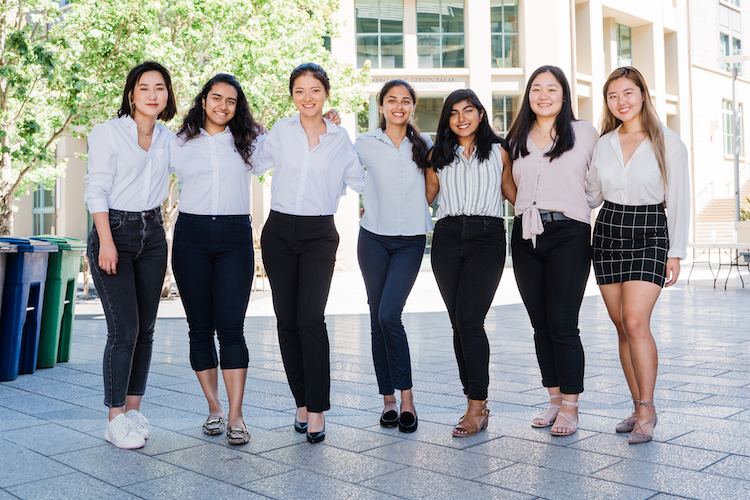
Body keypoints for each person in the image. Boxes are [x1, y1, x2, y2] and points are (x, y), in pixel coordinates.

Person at [254, 63, 365, 444]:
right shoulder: (280, 132)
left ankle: (316, 408)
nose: (307, 97)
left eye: (314, 90)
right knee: (286, 320)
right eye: (299, 90)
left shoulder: (340, 138)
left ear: (326, 94)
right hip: (279, 231)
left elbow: (362, 178)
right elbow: (252, 161)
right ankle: (301, 400)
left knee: (310, 319)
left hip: (320, 233)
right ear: (292, 95)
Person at [587, 66, 689, 444]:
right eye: (613, 96)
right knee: (619, 324)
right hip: (609, 229)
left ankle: (648, 408)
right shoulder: (603, 143)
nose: (621, 102)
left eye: (628, 93)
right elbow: (593, 195)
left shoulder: (669, 143)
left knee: (634, 321)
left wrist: (675, 252)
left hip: (650, 231)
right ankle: (635, 404)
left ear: (642, 95)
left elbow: (678, 200)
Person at [84, 61, 177, 449]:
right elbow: (96, 190)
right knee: (124, 330)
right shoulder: (107, 133)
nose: (152, 95)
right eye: (144, 88)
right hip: (115, 233)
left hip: (153, 234)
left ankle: (133, 411)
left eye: (160, 88)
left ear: (167, 96)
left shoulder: (170, 138)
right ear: (131, 93)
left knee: (147, 330)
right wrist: (106, 241)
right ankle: (114, 416)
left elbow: (218, 141)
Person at [504, 65, 599, 437]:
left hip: (569, 233)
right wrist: (526, 206)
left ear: (564, 95)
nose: (544, 96)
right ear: (529, 95)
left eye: (552, 89)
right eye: (536, 89)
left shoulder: (584, 132)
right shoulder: (517, 136)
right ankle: (554, 399)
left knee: (562, 323)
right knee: (540, 325)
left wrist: (575, 204)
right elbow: (508, 182)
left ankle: (572, 406)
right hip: (526, 233)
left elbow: (598, 181)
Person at [170, 74, 263, 445]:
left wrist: (329, 122)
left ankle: (237, 416)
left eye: (231, 101)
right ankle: (214, 408)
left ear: (238, 107)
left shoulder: (252, 141)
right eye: (216, 98)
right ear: (204, 100)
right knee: (199, 328)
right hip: (190, 236)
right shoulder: (179, 142)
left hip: (234, 237)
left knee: (231, 328)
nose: (223, 106)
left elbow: (296, 142)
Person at [425, 89, 508, 437]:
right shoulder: (437, 155)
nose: (462, 118)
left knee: (471, 320)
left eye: (468, 110)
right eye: (454, 113)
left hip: (487, 237)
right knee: (459, 322)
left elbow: (516, 193)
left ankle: (477, 405)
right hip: (446, 237)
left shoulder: (501, 151)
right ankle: (472, 399)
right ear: (447, 119)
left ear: (481, 114)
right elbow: (424, 199)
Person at [354, 80, 433, 433]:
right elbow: (341, 168)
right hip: (372, 238)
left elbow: (433, 186)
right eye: (391, 101)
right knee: (376, 317)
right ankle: (387, 401)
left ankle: (408, 399)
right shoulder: (365, 142)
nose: (398, 106)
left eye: (405, 101)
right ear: (381, 106)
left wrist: (419, 208)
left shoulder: (426, 144)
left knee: (389, 314)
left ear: (412, 107)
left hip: (410, 241)